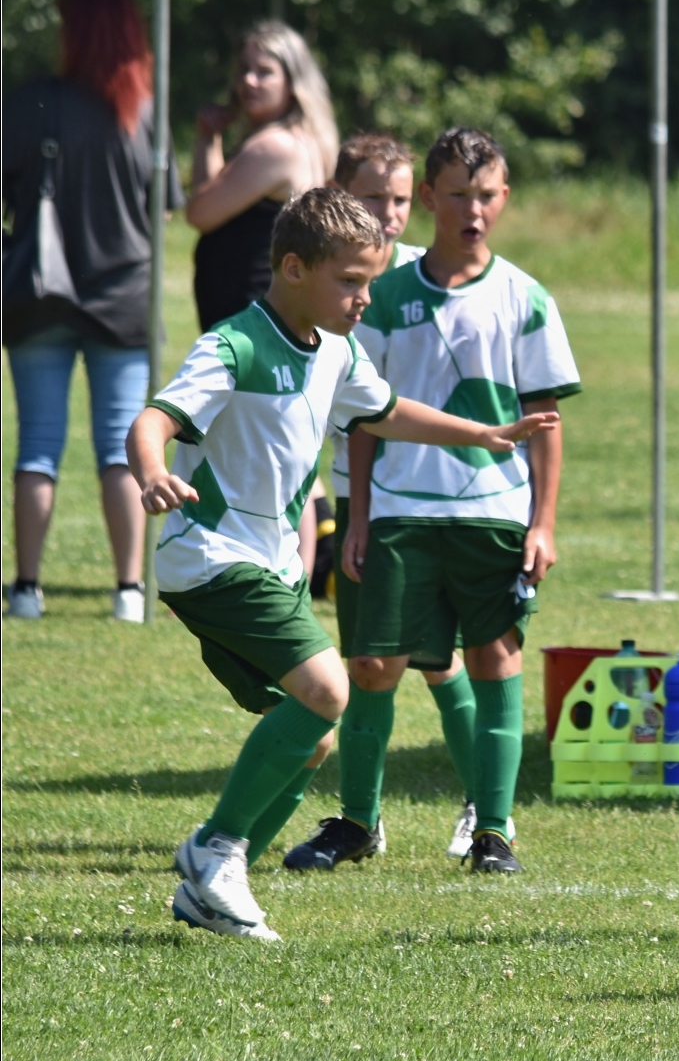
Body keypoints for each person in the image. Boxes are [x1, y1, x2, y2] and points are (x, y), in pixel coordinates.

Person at [131, 187, 557, 940]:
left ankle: (215, 887)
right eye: (351, 281)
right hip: (213, 556)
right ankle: (215, 848)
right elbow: (154, 418)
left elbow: (385, 411)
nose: (366, 297)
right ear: (294, 268)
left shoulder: (336, 349)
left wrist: (482, 435)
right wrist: (152, 471)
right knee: (331, 689)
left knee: (314, 731)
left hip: (272, 567)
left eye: (372, 281)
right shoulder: (235, 343)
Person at [326, 128, 581, 877]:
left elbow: (545, 421)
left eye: (487, 195)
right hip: (398, 510)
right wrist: (358, 514)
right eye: (459, 194)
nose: (473, 209)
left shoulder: (525, 297)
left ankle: (493, 831)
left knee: (493, 658)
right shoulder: (384, 296)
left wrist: (542, 522)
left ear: (505, 198)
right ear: (431, 199)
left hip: (493, 511)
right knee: (373, 663)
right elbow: (366, 415)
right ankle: (357, 823)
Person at [281, 132, 487, 866]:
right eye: (373, 197)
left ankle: (485, 807)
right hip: (361, 489)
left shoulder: (423, 277)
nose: (390, 213)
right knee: (372, 663)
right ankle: (360, 820)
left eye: (400, 199)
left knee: (441, 660)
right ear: (339, 197)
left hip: (436, 495)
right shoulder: (331, 281)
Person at [4, 0, 180, 624]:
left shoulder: (31, 103)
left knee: (37, 444)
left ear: (71, 30)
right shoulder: (144, 109)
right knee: (120, 446)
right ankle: (129, 591)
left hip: (38, 296)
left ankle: (26, 589)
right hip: (125, 300)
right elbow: (165, 209)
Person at [186, 20, 337, 582]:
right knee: (279, 442)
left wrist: (206, 141)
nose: (248, 81)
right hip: (264, 310)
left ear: (292, 80)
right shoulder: (302, 139)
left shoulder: (274, 146)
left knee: (273, 449)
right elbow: (213, 203)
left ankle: (300, 569)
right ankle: (310, 559)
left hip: (253, 310)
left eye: (264, 71)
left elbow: (201, 211)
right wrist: (211, 139)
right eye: (243, 69)